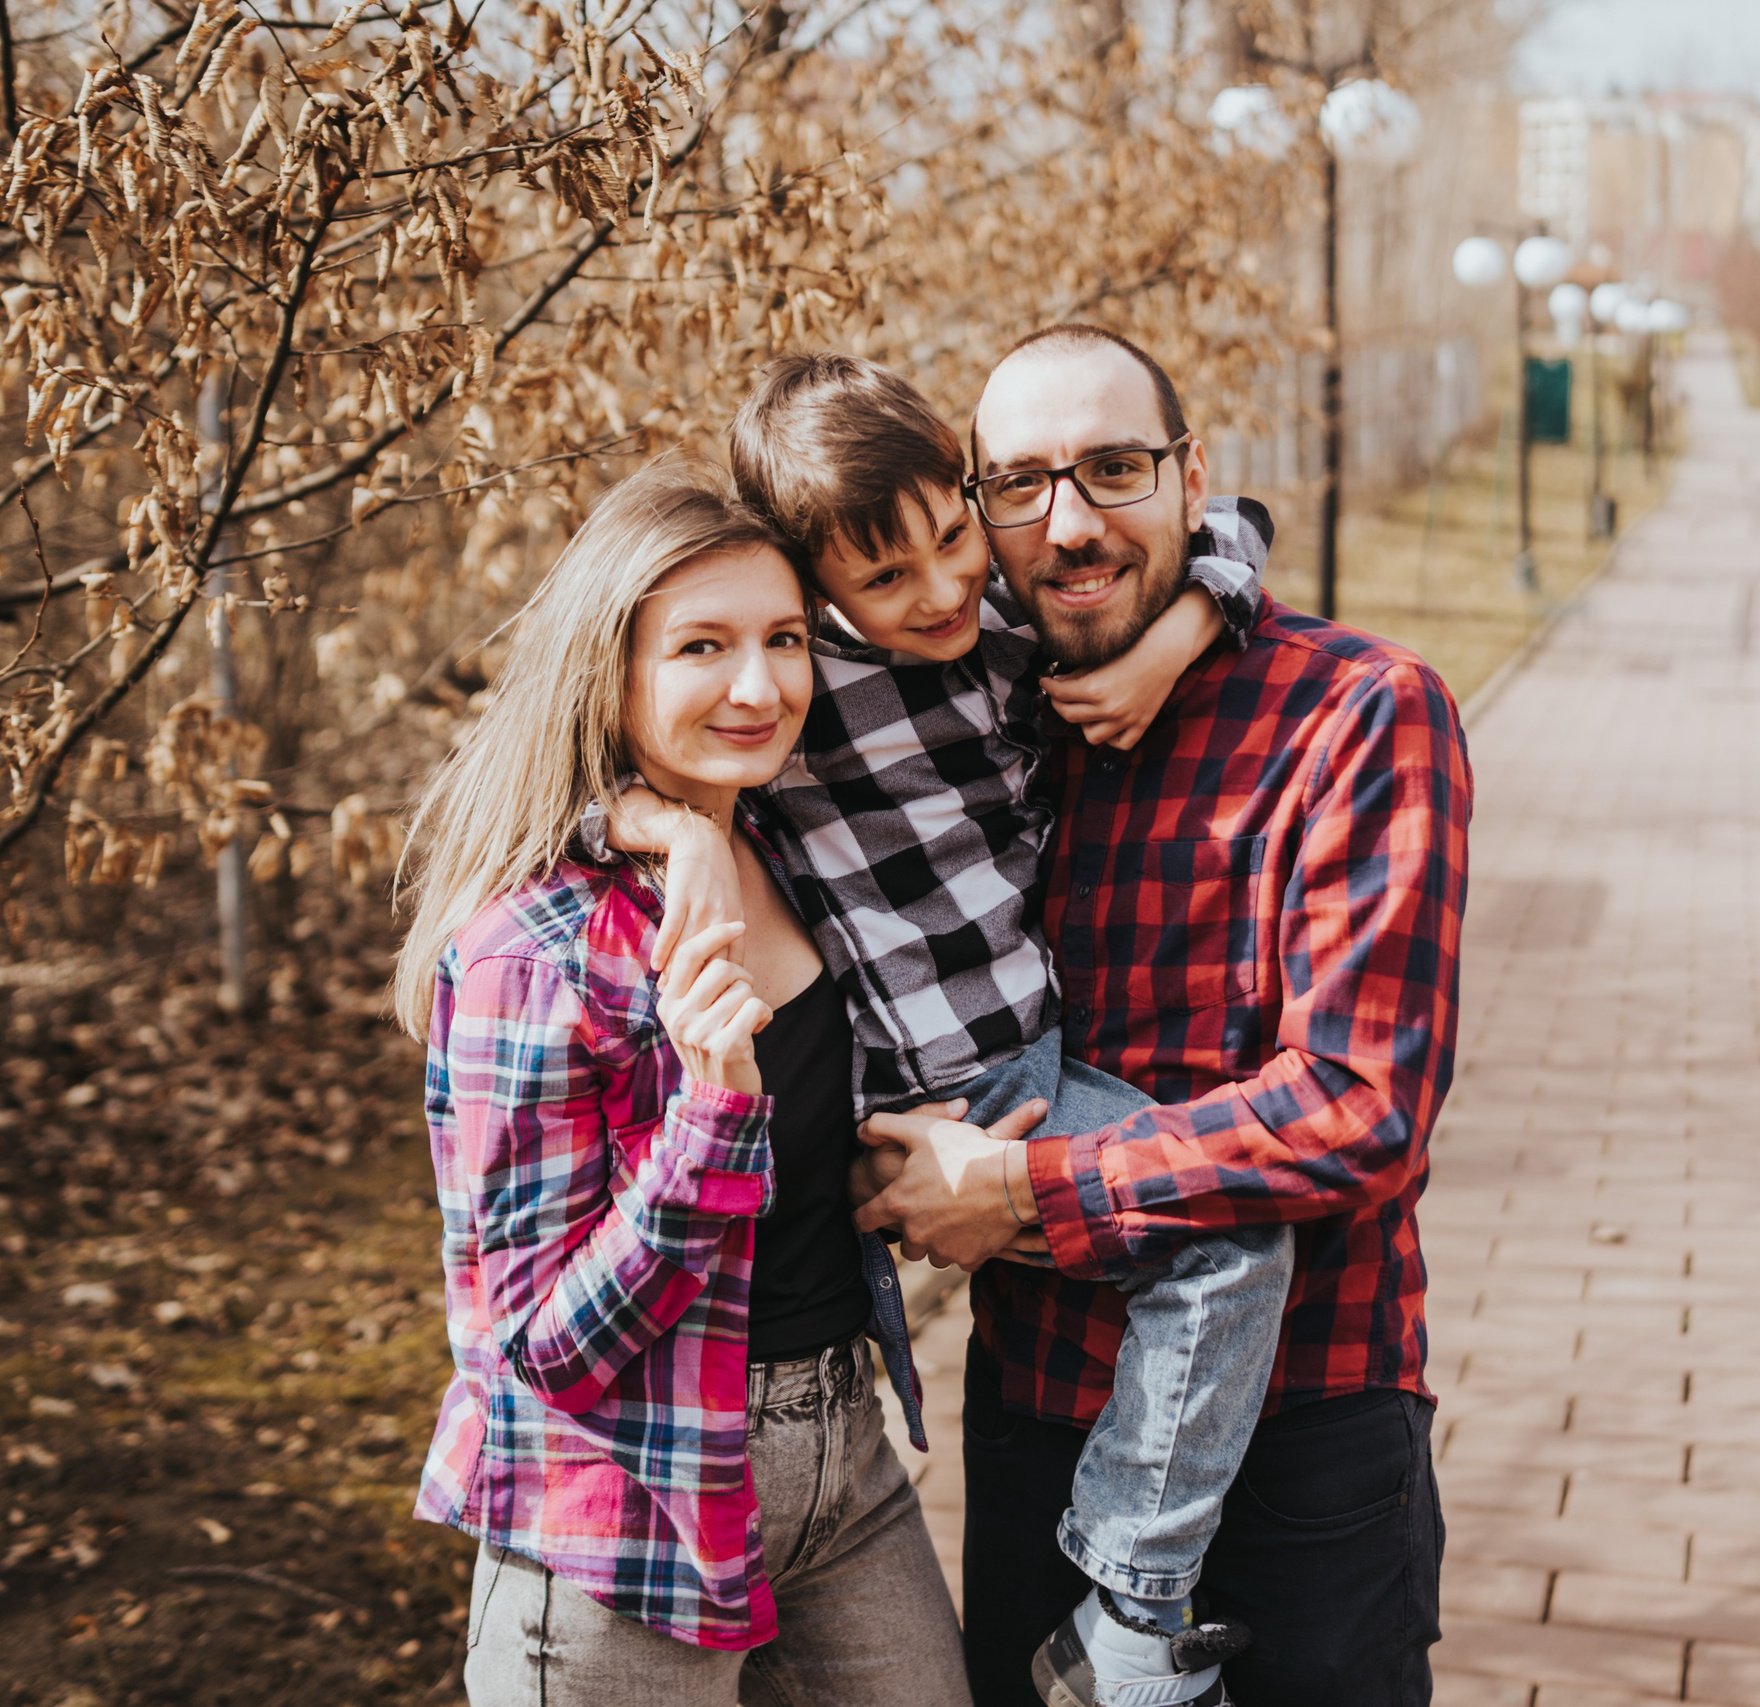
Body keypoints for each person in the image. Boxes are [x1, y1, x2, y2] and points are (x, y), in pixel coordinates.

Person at [617, 353, 1293, 1707]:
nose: (938, 591)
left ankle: (1123, 1584)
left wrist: (1174, 636)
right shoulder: (795, 694)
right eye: (886, 580)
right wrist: (661, 828)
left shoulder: (992, 623)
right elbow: (596, 752)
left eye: (951, 538)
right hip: (953, 1073)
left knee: (1205, 1233)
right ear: (812, 587)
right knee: (1227, 1232)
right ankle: (1132, 1604)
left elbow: (1236, 531)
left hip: (1029, 1048)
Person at [854, 325, 1473, 1707]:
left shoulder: (1361, 713)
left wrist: (1025, 1186)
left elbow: (1360, 1108)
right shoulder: (976, 705)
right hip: (1041, 1417)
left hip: (1306, 1424)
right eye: (1018, 483)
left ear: (1191, 476)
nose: (1068, 524)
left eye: (1114, 470)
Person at [391, 458, 974, 1705]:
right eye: (701, 646)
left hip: (845, 1460)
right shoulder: (530, 957)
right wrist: (712, 1114)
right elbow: (541, 1347)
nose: (759, 686)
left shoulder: (777, 836)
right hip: (621, 1515)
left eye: (781, 639)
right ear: (611, 669)